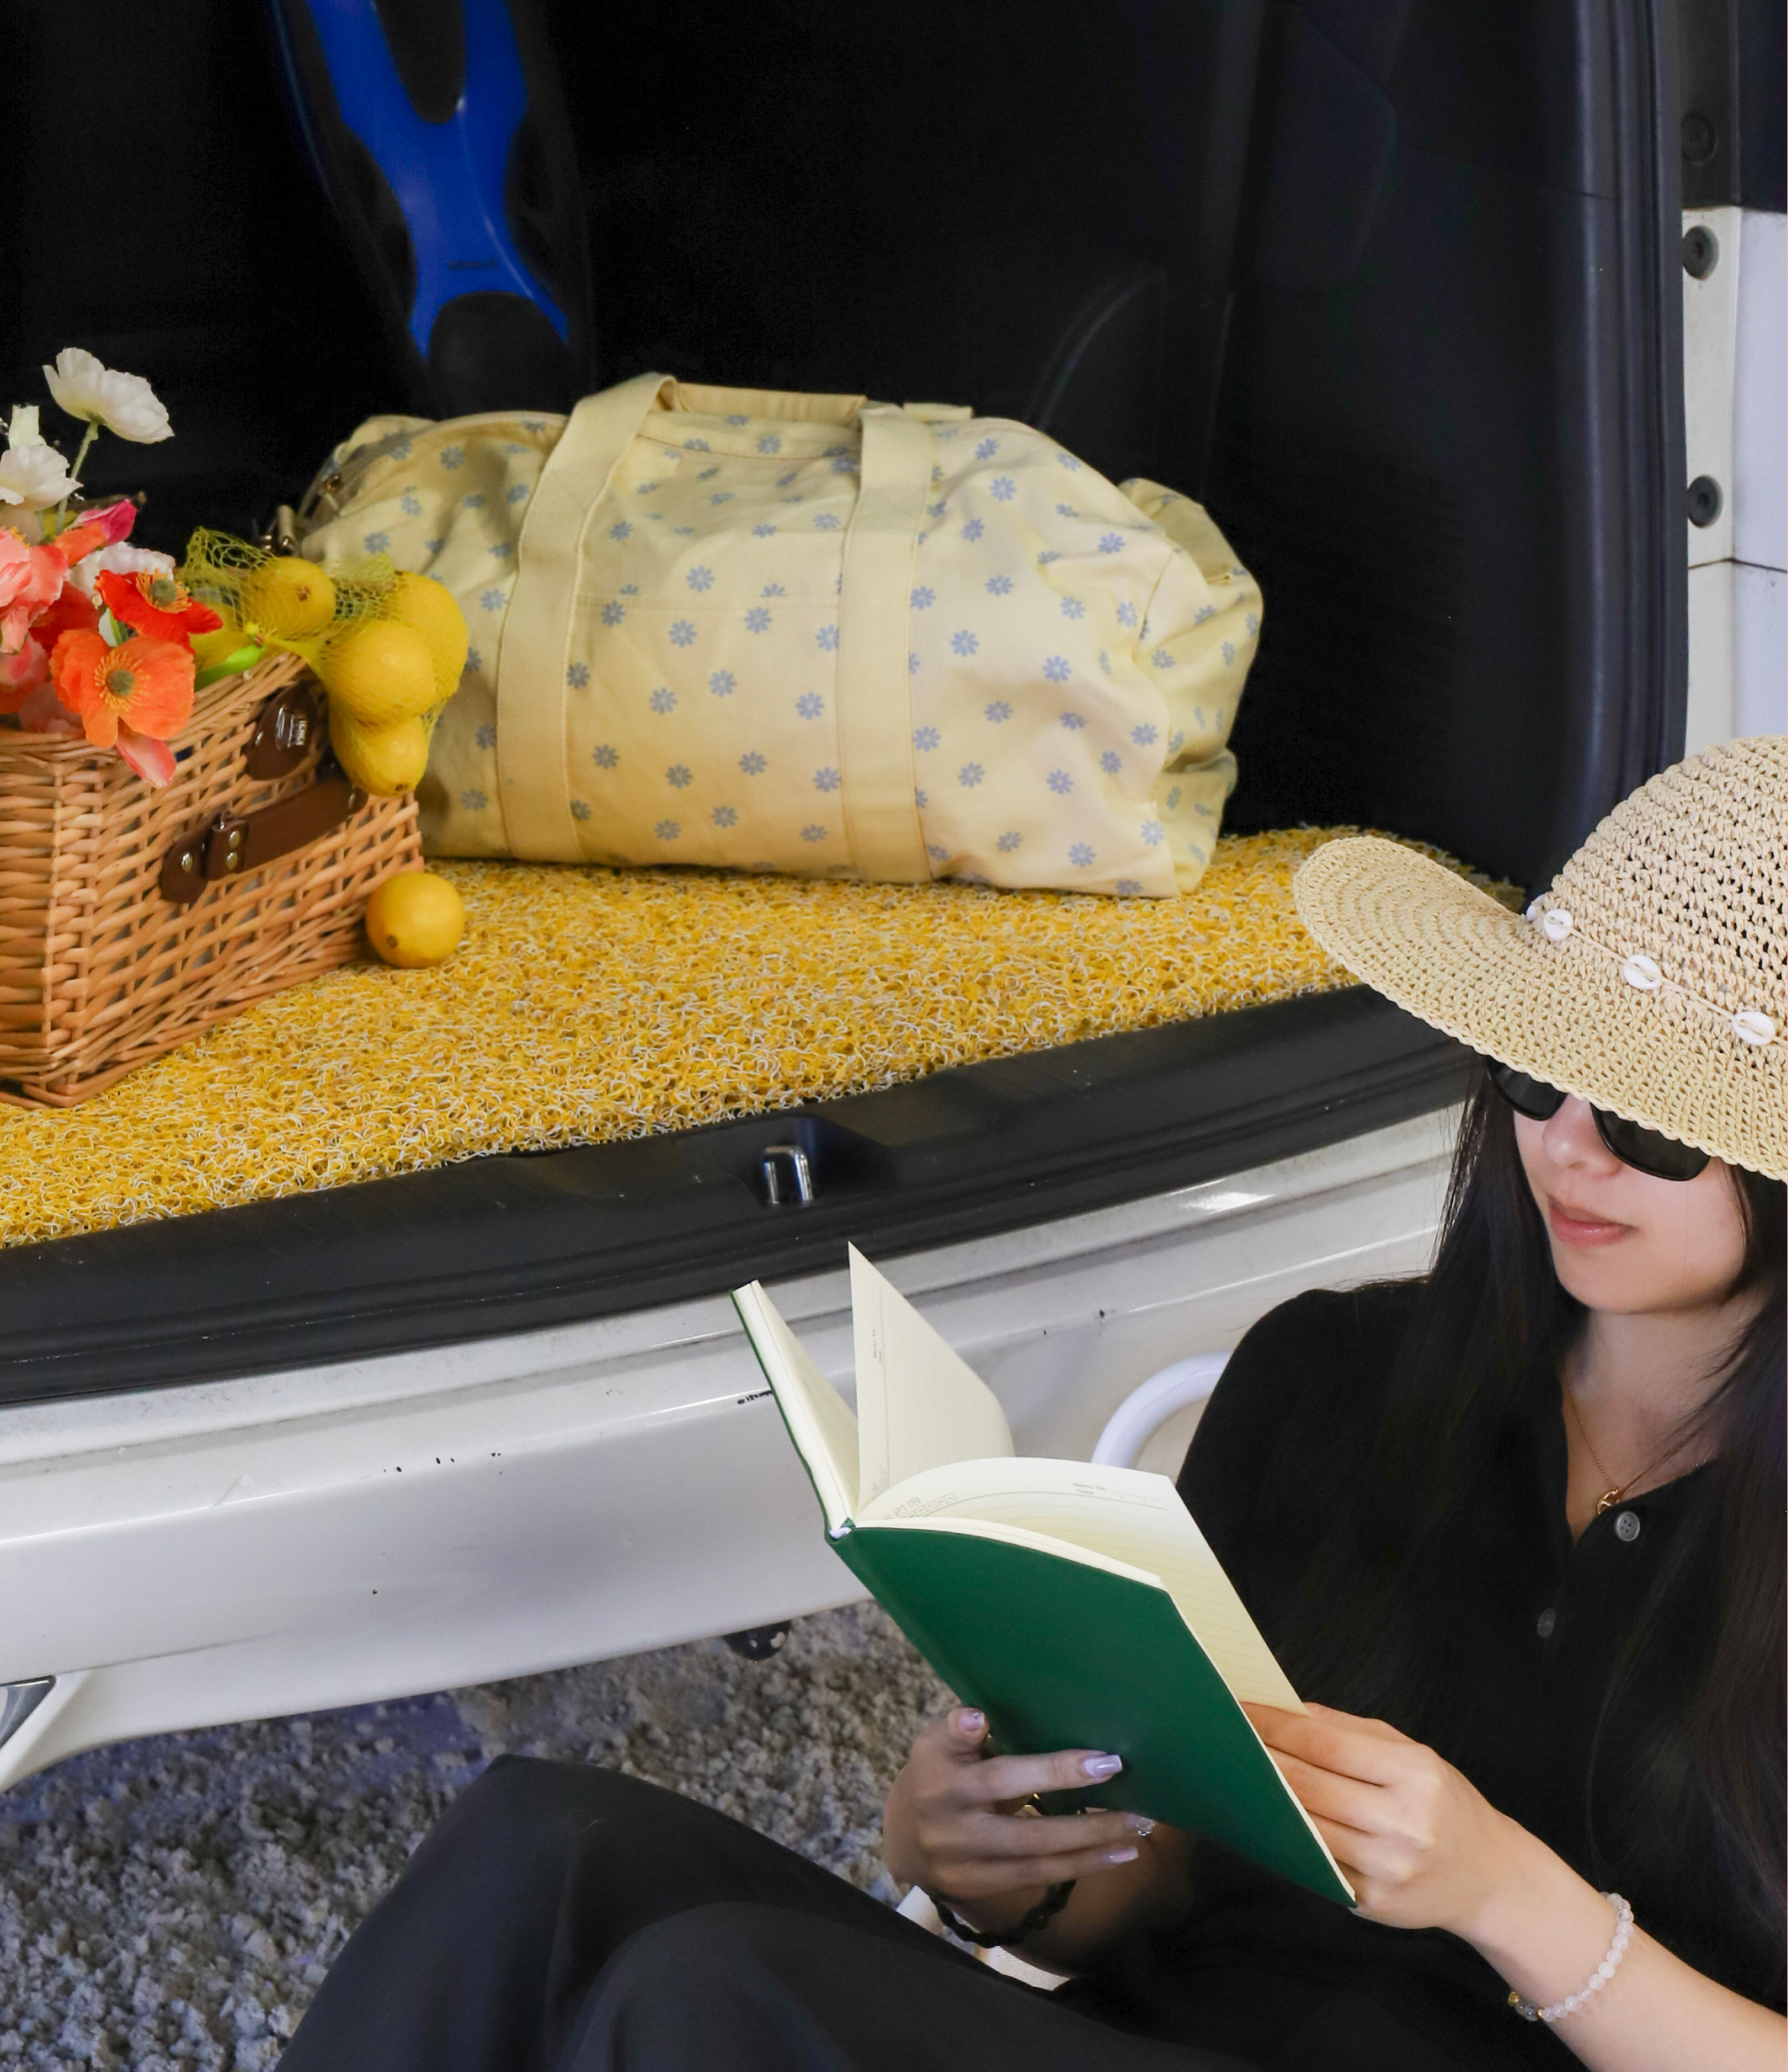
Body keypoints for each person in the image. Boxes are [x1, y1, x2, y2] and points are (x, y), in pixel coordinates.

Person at [277, 737, 1786, 2070]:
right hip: (1161, 2030)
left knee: (715, 1997)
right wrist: (1012, 1869)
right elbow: (1169, 1878)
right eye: (1535, 1078)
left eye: (1652, 1127)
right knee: (538, 1848)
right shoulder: (1339, 1378)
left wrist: (1512, 1899)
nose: (1569, 1153)